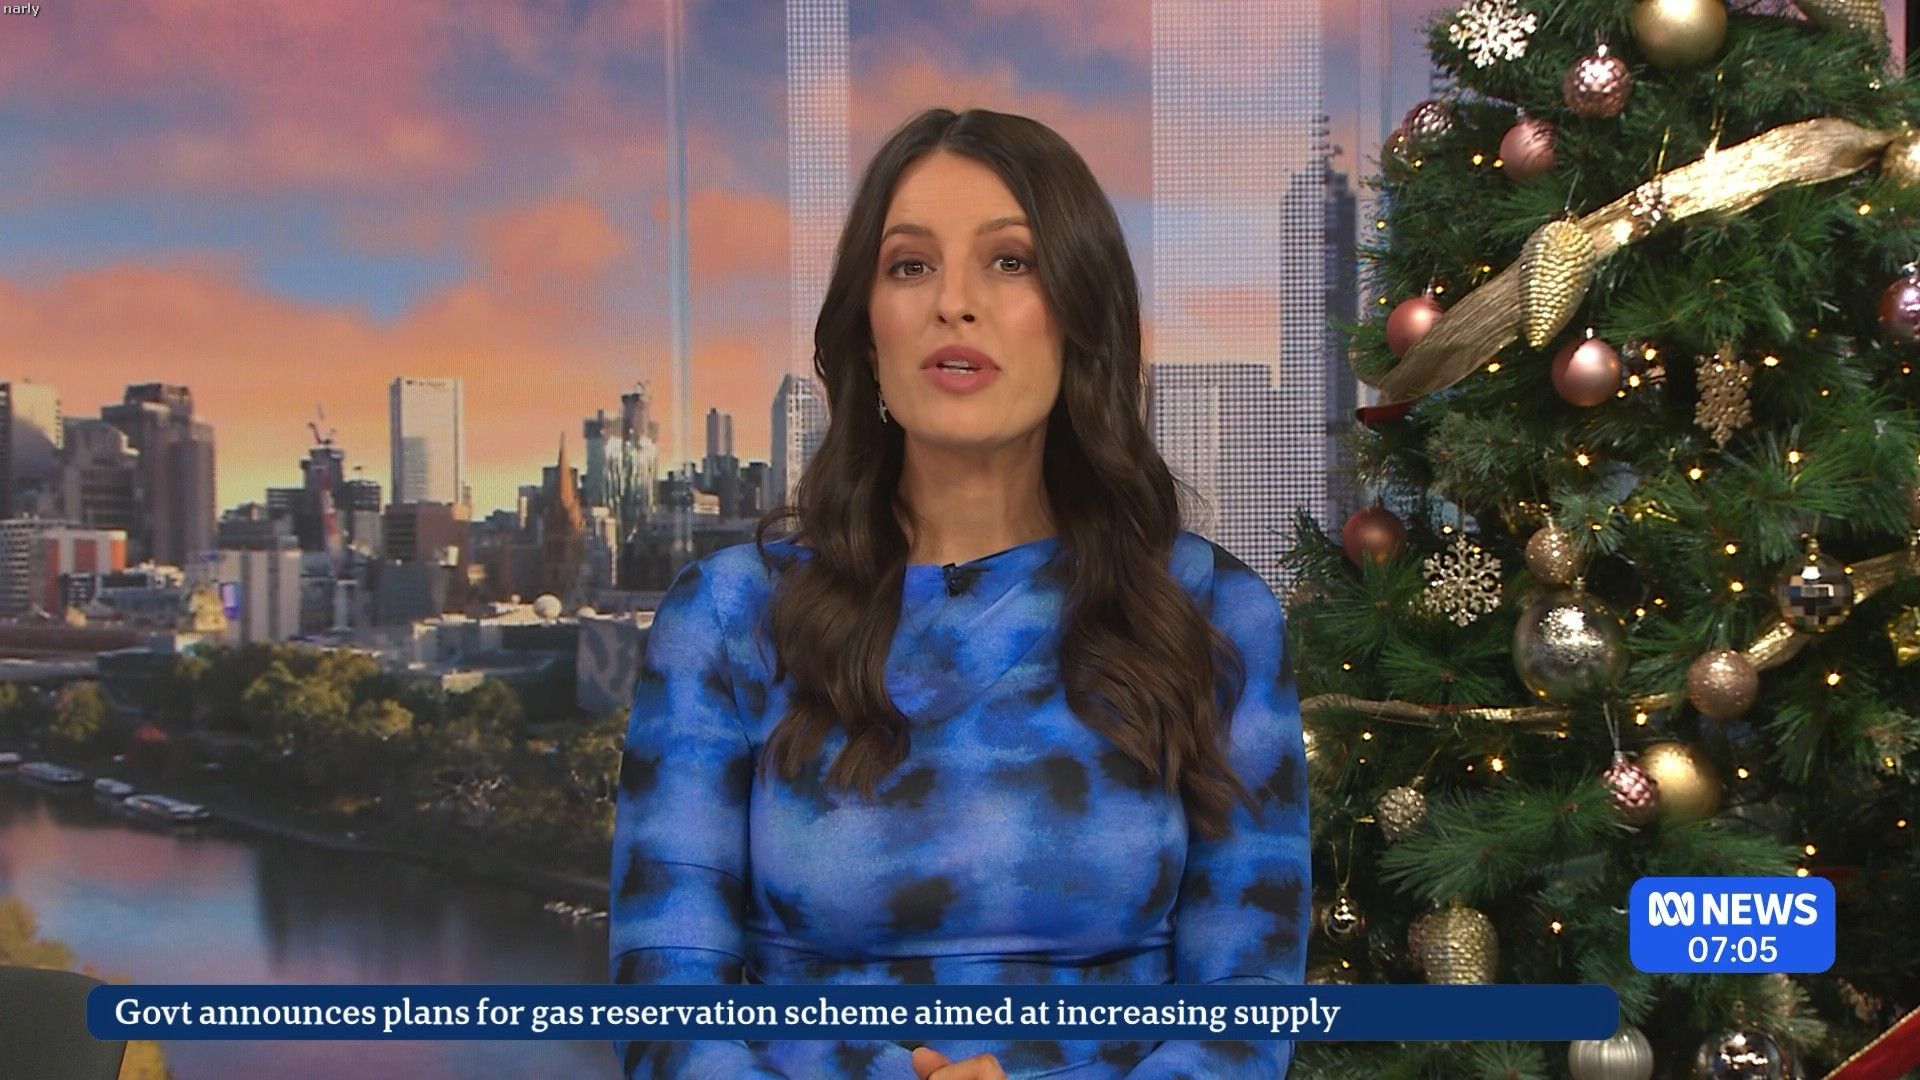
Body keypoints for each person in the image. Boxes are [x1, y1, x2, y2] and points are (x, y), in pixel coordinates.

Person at [609, 106, 1309, 1079]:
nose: (954, 303)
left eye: (1010, 262)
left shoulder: (1210, 612)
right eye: (910, 267)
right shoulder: (729, 615)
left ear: (1082, 318)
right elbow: (664, 999)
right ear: (867, 336)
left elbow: (1248, 1008)